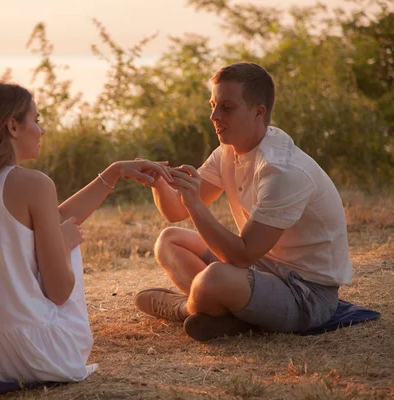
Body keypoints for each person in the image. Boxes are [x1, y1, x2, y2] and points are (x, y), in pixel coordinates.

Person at [0, 81, 173, 383]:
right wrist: (64, 243)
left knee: (52, 234)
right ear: (13, 125)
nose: (42, 130)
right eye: (36, 120)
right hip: (26, 354)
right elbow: (59, 292)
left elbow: (48, 220)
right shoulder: (34, 184)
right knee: (62, 239)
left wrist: (114, 172)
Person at [134, 62, 353, 341]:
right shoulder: (228, 150)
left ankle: (185, 308)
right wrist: (159, 183)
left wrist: (195, 205)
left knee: (215, 277)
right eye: (213, 105)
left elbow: (240, 254)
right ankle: (226, 314)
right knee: (169, 240)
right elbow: (175, 212)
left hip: (305, 293)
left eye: (227, 107)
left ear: (258, 112)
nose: (214, 115)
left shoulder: (282, 171)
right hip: (259, 268)